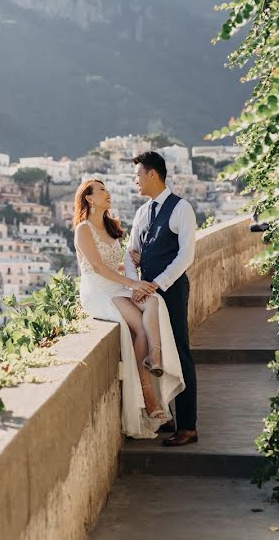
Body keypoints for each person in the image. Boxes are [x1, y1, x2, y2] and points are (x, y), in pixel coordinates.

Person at [73, 179, 184, 439]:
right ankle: (148, 396)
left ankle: (154, 359)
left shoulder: (111, 227)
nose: (107, 193)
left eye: (107, 189)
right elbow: (98, 268)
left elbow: (114, 264)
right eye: (101, 190)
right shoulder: (83, 229)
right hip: (98, 291)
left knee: (153, 303)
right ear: (89, 198)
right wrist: (134, 283)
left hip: (116, 287)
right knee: (141, 321)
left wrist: (134, 263)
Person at [125, 151, 199, 447]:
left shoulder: (182, 208)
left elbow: (186, 256)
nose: (136, 181)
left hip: (172, 291)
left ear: (153, 174)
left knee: (180, 351)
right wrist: (136, 284)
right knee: (158, 352)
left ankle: (189, 426)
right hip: (146, 294)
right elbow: (131, 254)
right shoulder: (142, 213)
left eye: (138, 175)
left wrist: (156, 284)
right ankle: (168, 417)